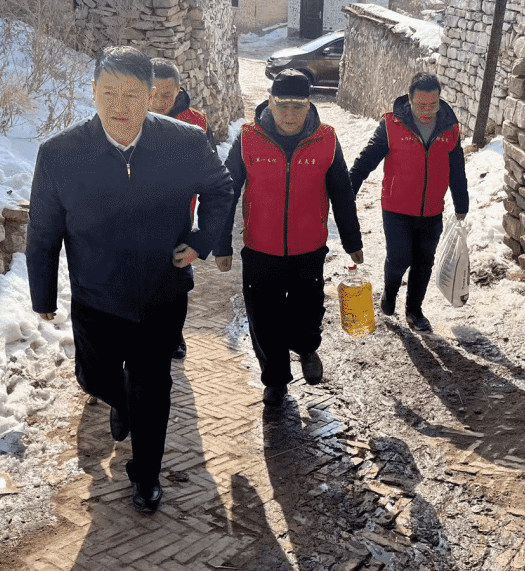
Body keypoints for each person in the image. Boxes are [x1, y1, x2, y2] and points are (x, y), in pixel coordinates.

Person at [26, 46, 232, 515]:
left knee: (153, 384)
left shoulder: (184, 142)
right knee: (94, 377)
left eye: (132, 94)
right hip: (95, 295)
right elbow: (43, 230)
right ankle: (121, 399)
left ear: (151, 96)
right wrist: (43, 295)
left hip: (161, 290)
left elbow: (220, 189)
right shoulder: (61, 154)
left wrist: (201, 241)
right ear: (93, 91)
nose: (119, 105)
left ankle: (147, 475)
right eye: (109, 92)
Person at [215, 69, 363, 408]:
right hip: (260, 249)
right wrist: (221, 245)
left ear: (309, 104)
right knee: (264, 320)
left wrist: (352, 241)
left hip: (308, 249)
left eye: (299, 106)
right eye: (283, 105)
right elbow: (227, 192)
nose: (290, 114)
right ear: (270, 102)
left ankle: (307, 348)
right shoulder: (248, 138)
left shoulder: (326, 139)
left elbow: (342, 192)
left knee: (307, 312)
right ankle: (276, 380)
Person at [349, 72, 469, 333]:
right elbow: (366, 161)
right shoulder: (391, 125)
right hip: (396, 209)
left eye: (433, 105)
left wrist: (462, 203)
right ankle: (390, 291)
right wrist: (347, 193)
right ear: (410, 100)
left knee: (424, 262)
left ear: (439, 100)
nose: (427, 111)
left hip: (432, 210)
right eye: (421, 105)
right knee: (399, 257)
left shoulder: (449, 128)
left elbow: (457, 169)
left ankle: (414, 310)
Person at [149, 57, 216, 361]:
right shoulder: (128, 116)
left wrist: (203, 237)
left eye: (168, 94)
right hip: (135, 214)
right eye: (154, 93)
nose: (160, 101)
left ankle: (174, 333)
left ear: (178, 90)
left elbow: (213, 178)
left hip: (179, 217)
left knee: (176, 279)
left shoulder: (196, 122)